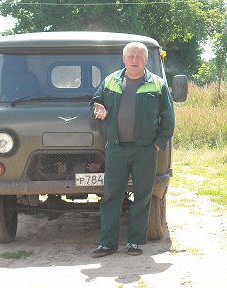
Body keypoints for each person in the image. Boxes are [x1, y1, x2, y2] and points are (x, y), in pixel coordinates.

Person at [90, 42, 175, 257]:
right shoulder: (110, 80)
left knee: (143, 196)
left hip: (145, 150)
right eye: (131, 56)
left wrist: (157, 144)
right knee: (111, 196)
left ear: (145, 60)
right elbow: (96, 100)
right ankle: (108, 243)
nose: (135, 60)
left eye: (139, 56)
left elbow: (168, 119)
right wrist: (97, 107)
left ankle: (135, 242)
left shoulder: (157, 84)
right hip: (116, 149)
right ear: (124, 59)